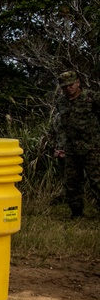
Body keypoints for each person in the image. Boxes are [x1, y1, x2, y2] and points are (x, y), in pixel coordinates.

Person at [51, 71, 100, 219]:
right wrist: (60, 145)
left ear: (78, 82)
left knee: (97, 181)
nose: (68, 89)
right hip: (71, 148)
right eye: (64, 86)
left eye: (71, 85)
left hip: (92, 147)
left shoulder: (92, 98)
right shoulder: (61, 102)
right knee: (72, 182)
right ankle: (77, 213)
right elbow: (61, 125)